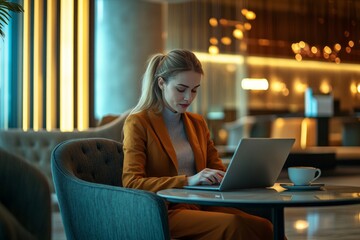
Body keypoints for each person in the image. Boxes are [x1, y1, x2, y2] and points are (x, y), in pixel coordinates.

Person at [122, 49, 274, 240]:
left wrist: (241, 175)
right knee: (235, 226)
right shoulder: (138, 123)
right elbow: (132, 183)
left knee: (265, 227)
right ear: (161, 83)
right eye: (181, 89)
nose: (189, 97)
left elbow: (216, 168)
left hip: (201, 204)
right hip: (166, 211)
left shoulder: (197, 123)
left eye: (194, 90)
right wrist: (188, 180)